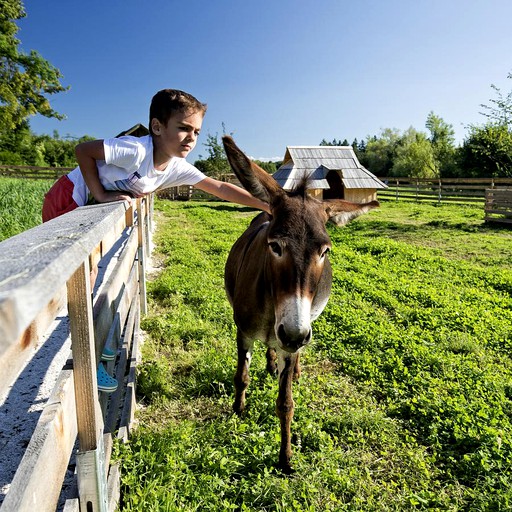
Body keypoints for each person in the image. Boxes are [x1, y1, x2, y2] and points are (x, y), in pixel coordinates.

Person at [42, 88, 271, 392]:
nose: (191, 137)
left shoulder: (175, 166)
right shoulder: (135, 151)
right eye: (183, 128)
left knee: (90, 278)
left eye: (197, 131)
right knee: (84, 281)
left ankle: (93, 344)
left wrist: (268, 205)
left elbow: (219, 187)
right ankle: (86, 359)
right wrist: (100, 194)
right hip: (67, 201)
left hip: (88, 211)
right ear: (158, 127)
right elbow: (84, 150)